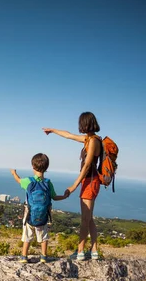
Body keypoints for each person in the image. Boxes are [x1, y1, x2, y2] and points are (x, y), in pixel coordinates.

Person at [42, 111, 102, 261]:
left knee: (84, 219)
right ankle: (94, 251)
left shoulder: (93, 141)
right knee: (89, 219)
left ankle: (80, 251)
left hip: (90, 182)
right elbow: (68, 135)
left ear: (85, 123)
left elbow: (87, 165)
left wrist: (74, 186)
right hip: (89, 181)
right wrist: (53, 130)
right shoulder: (88, 139)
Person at [10, 153, 69, 264]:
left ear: (33, 166)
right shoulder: (48, 183)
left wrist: (14, 173)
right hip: (43, 216)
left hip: (29, 215)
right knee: (43, 237)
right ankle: (43, 257)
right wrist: (65, 196)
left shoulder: (28, 181)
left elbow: (18, 180)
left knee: (27, 236)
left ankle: (24, 256)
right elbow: (54, 197)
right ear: (46, 168)